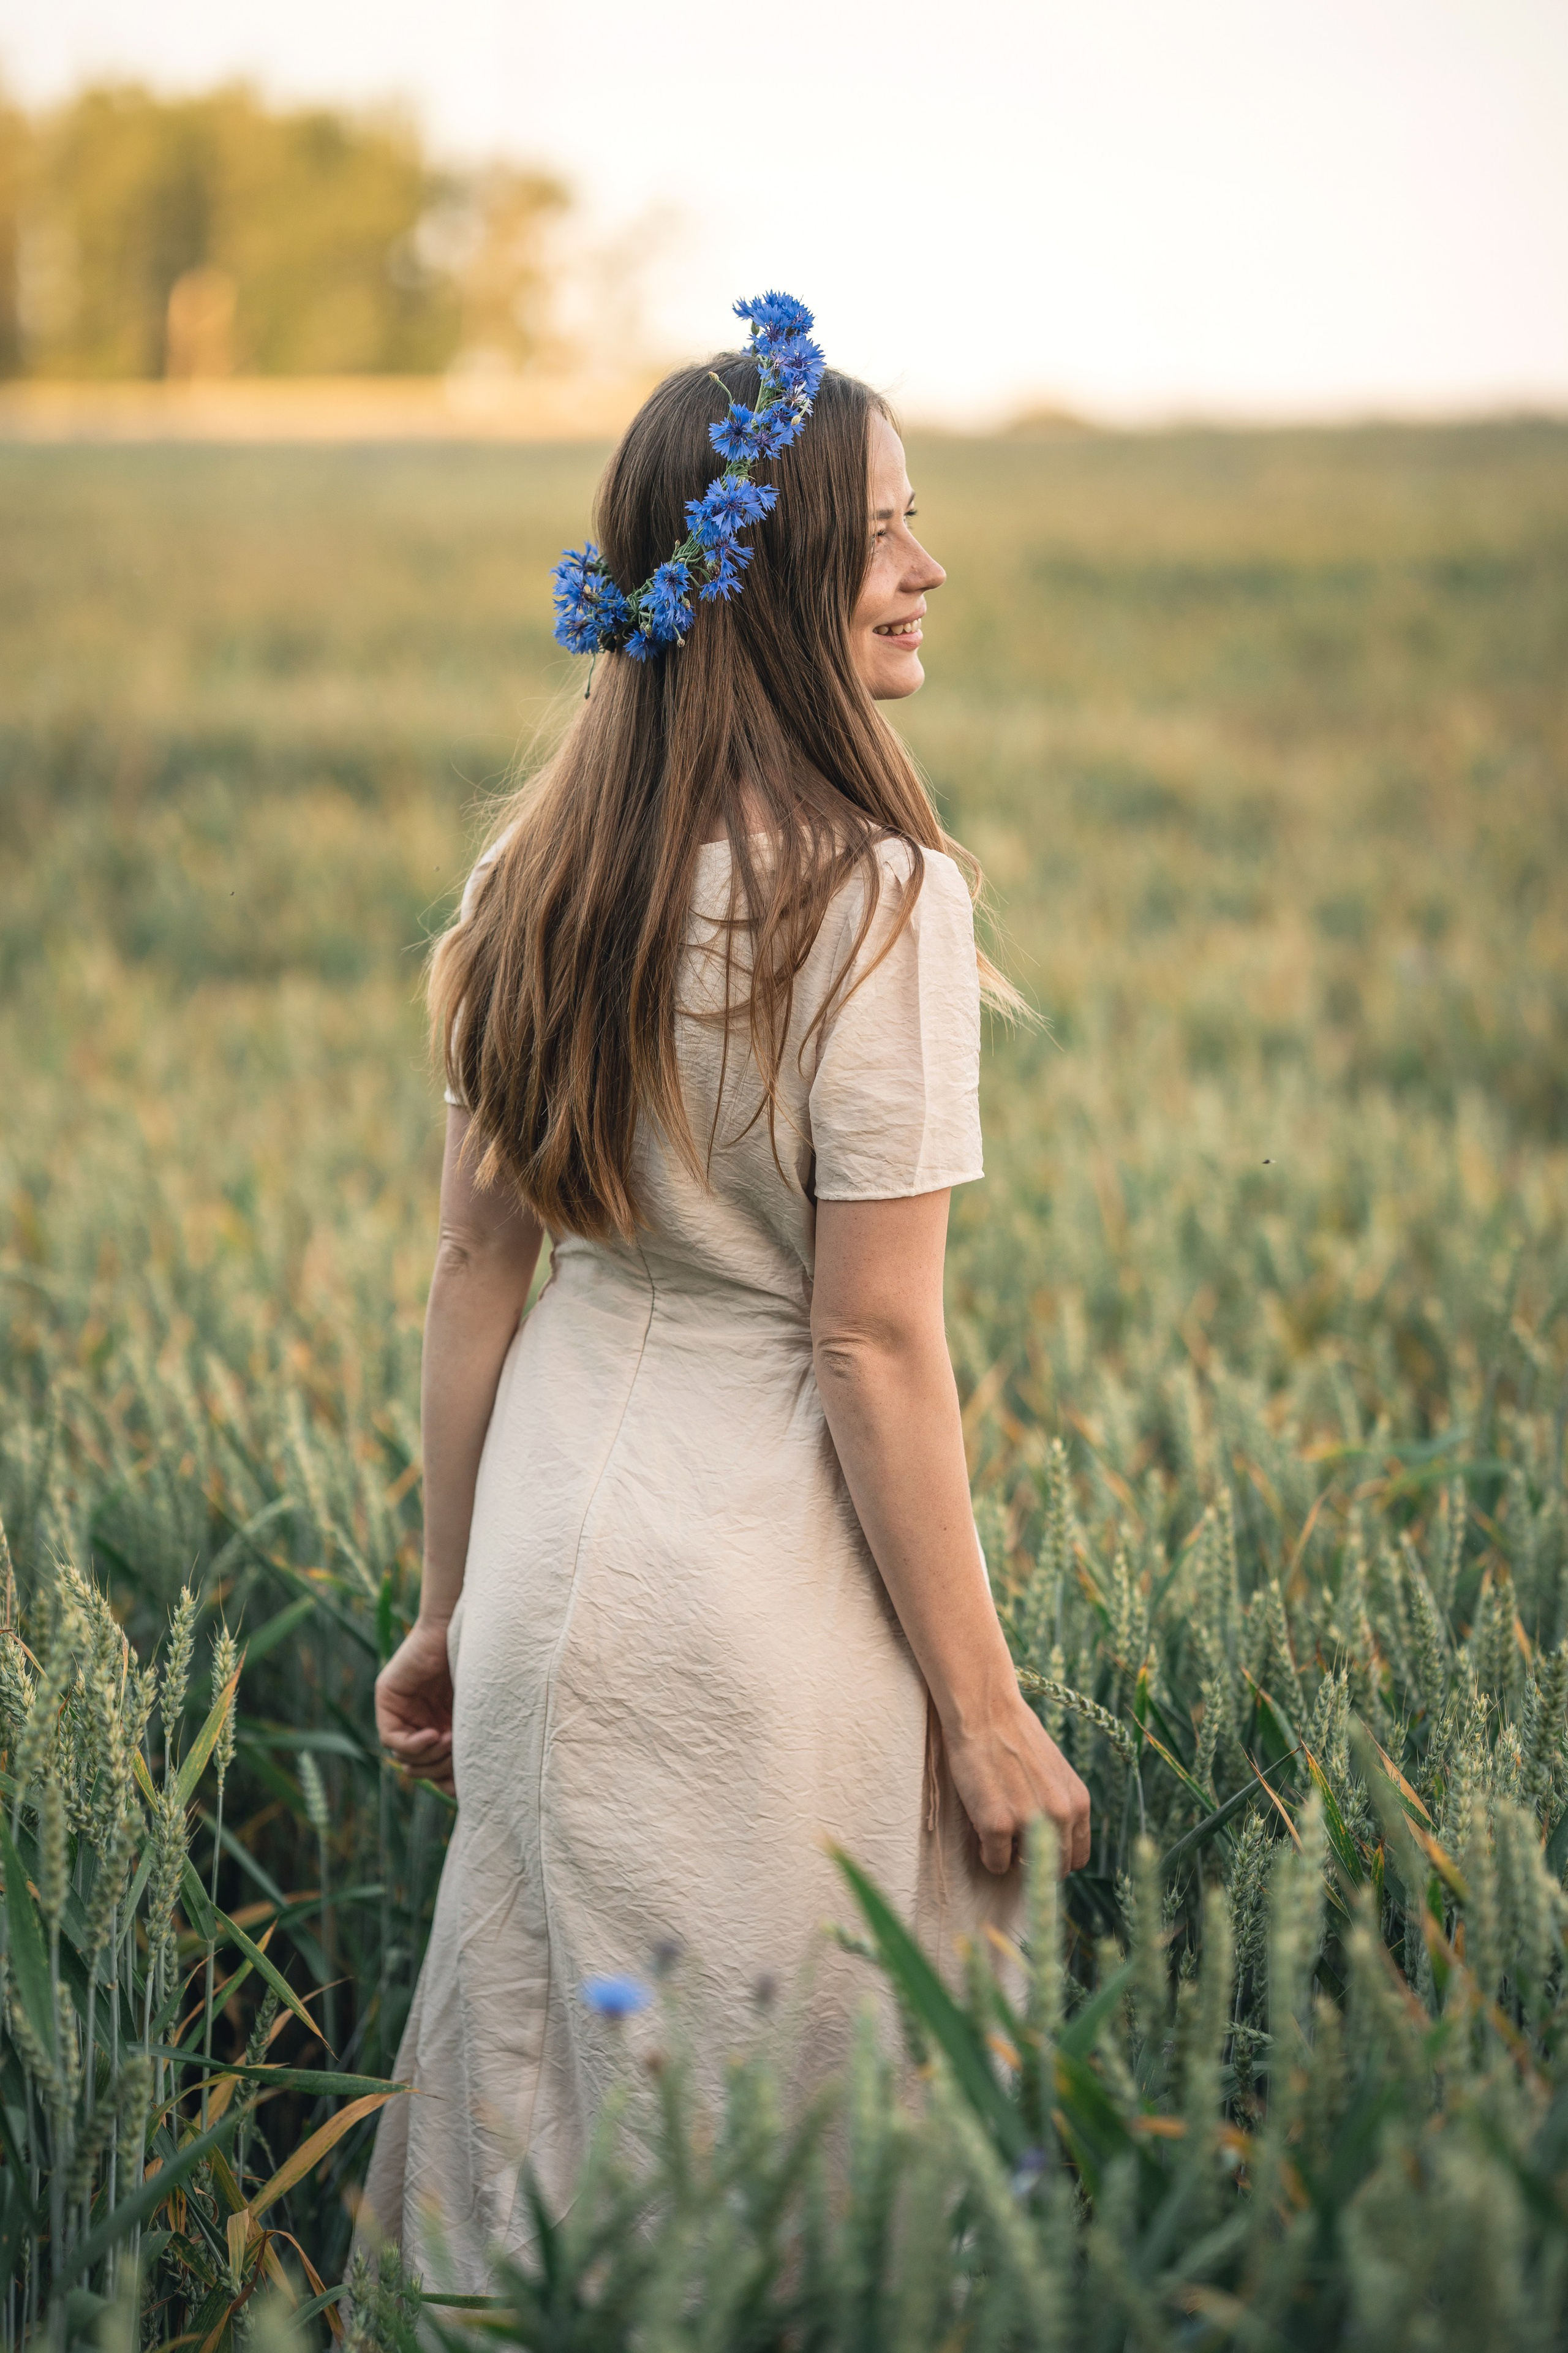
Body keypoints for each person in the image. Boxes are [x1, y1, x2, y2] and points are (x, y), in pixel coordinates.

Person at [361, 295, 1090, 2285]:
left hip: (544, 1573)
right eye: (881, 535)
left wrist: (442, 1609)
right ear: (767, 581)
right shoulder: (878, 901)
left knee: (535, 2124)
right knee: (789, 2158)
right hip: (767, 1586)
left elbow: (473, 1268)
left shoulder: (540, 878)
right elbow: (866, 1335)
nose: (929, 569)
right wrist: (991, 1706)